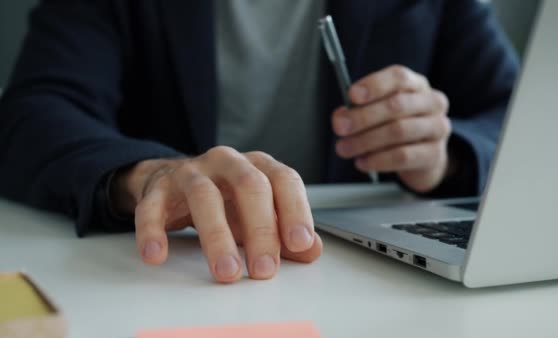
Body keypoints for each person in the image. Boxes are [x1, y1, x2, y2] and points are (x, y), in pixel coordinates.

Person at [0, 0, 518, 283]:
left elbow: (516, 111)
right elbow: (32, 115)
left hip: (373, 277)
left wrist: (446, 154)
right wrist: (148, 173)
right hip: (175, 271)